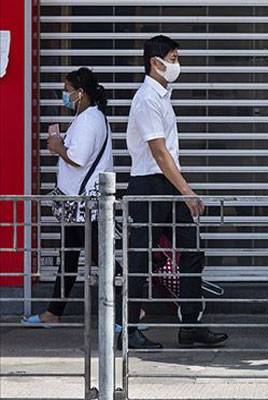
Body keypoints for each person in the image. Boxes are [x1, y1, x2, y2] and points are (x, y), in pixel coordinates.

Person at [123, 35, 227, 349]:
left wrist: (179, 188)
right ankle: (127, 331)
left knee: (192, 250)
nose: (176, 64)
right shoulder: (147, 99)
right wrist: (187, 191)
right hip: (149, 186)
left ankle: (191, 324)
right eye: (173, 57)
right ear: (155, 63)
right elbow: (158, 151)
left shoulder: (162, 97)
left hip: (168, 184)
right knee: (139, 260)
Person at [22, 68, 113, 326]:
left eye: (67, 90)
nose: (64, 95)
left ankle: (132, 309)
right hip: (78, 204)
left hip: (84, 205)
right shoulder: (89, 117)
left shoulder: (89, 120)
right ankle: (54, 311)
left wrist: (57, 146)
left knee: (98, 258)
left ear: (80, 93)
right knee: (72, 257)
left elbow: (78, 158)